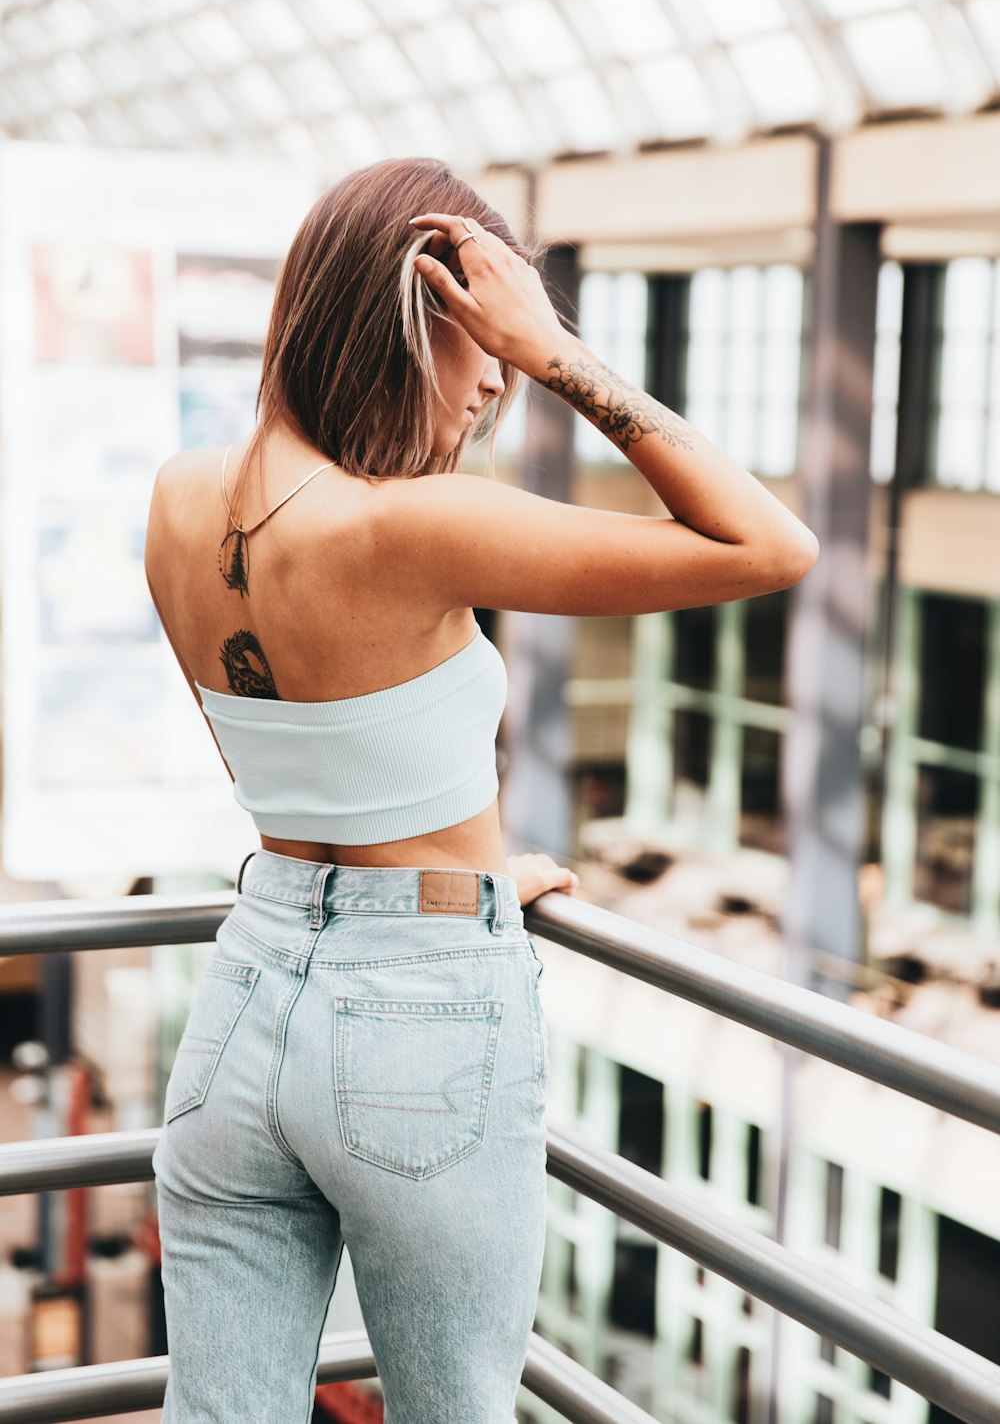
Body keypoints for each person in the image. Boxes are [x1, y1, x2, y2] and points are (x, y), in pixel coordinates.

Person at [144, 155, 818, 1423]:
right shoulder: (413, 526)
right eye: (484, 339)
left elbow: (297, 755)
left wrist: (439, 871)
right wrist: (564, 351)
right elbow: (768, 544)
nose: (499, 377)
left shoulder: (181, 497)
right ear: (418, 314)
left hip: (247, 988)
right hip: (420, 1013)